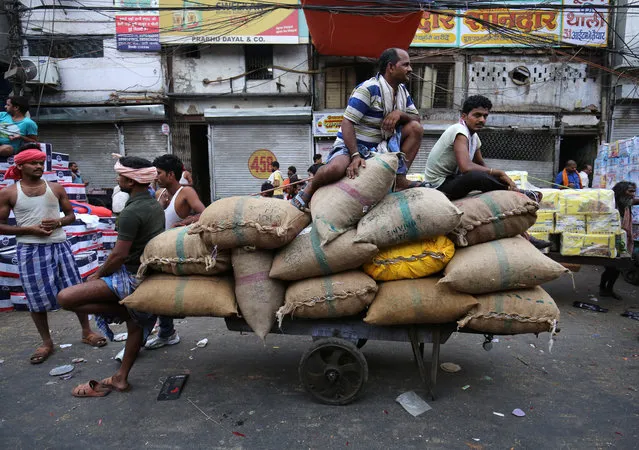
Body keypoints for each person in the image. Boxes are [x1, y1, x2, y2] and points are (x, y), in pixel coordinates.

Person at [57, 156, 165, 396]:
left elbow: (118, 255)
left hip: (131, 277)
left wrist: (97, 275)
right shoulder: (153, 204)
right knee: (135, 327)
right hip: (146, 272)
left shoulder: (132, 211)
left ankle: (126, 310)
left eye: (120, 176)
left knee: (65, 298)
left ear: (131, 180)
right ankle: (120, 378)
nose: (117, 180)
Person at [0, 148, 106, 364]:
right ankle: (46, 342)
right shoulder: (9, 193)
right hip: (30, 250)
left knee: (75, 290)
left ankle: (86, 332)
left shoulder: (55, 188)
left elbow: (71, 215)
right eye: (33, 163)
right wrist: (29, 230)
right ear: (20, 166)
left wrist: (58, 222)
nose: (39, 166)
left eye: (41, 162)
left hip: (60, 245)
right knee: (35, 297)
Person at [291, 48, 423, 211]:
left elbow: (416, 120)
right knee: (336, 168)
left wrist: (400, 114)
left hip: (381, 147)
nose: (410, 69)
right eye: (406, 65)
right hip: (352, 146)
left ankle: (399, 179)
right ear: (391, 67)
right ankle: (309, 189)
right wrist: (355, 155)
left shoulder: (403, 92)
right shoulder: (368, 89)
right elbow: (347, 123)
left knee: (415, 128)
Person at [143, 154, 206, 351]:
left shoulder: (186, 192)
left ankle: (157, 334)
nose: (156, 177)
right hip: (157, 250)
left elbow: (203, 212)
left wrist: (184, 222)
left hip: (173, 252)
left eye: (159, 173)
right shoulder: (159, 194)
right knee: (158, 294)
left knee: (155, 293)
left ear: (171, 174)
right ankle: (166, 332)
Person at [424, 95, 524, 200]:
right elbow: (466, 167)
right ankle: (511, 191)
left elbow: (481, 164)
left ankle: (513, 189)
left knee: (485, 175)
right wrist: (498, 172)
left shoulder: (474, 137)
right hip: (438, 185)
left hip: (452, 179)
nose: (482, 120)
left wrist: (498, 176)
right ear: (464, 116)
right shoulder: (459, 131)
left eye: (485, 116)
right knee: (475, 176)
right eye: (477, 115)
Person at [599, 181, 638, 300]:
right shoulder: (611, 204)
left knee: (617, 267)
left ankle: (609, 289)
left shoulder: (626, 203)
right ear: (621, 192)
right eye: (630, 191)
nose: (632, 194)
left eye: (634, 191)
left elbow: (635, 201)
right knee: (611, 267)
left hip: (621, 239)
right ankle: (603, 288)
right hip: (608, 238)